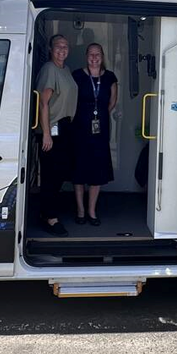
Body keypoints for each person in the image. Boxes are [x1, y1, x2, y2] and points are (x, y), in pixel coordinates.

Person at [35, 34, 78, 237]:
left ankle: (47, 210)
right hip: (52, 129)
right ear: (51, 49)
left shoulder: (66, 69)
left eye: (65, 46)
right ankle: (49, 218)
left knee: (61, 172)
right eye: (58, 46)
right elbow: (43, 103)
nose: (62, 49)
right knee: (52, 175)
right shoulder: (49, 69)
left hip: (65, 127)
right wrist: (45, 134)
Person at [71, 43, 118, 226]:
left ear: (102, 56)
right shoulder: (77, 75)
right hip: (80, 129)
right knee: (79, 170)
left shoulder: (110, 77)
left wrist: (97, 114)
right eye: (91, 54)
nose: (94, 58)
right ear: (86, 56)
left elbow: (112, 102)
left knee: (97, 170)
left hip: (100, 130)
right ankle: (81, 210)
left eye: (97, 54)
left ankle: (92, 211)